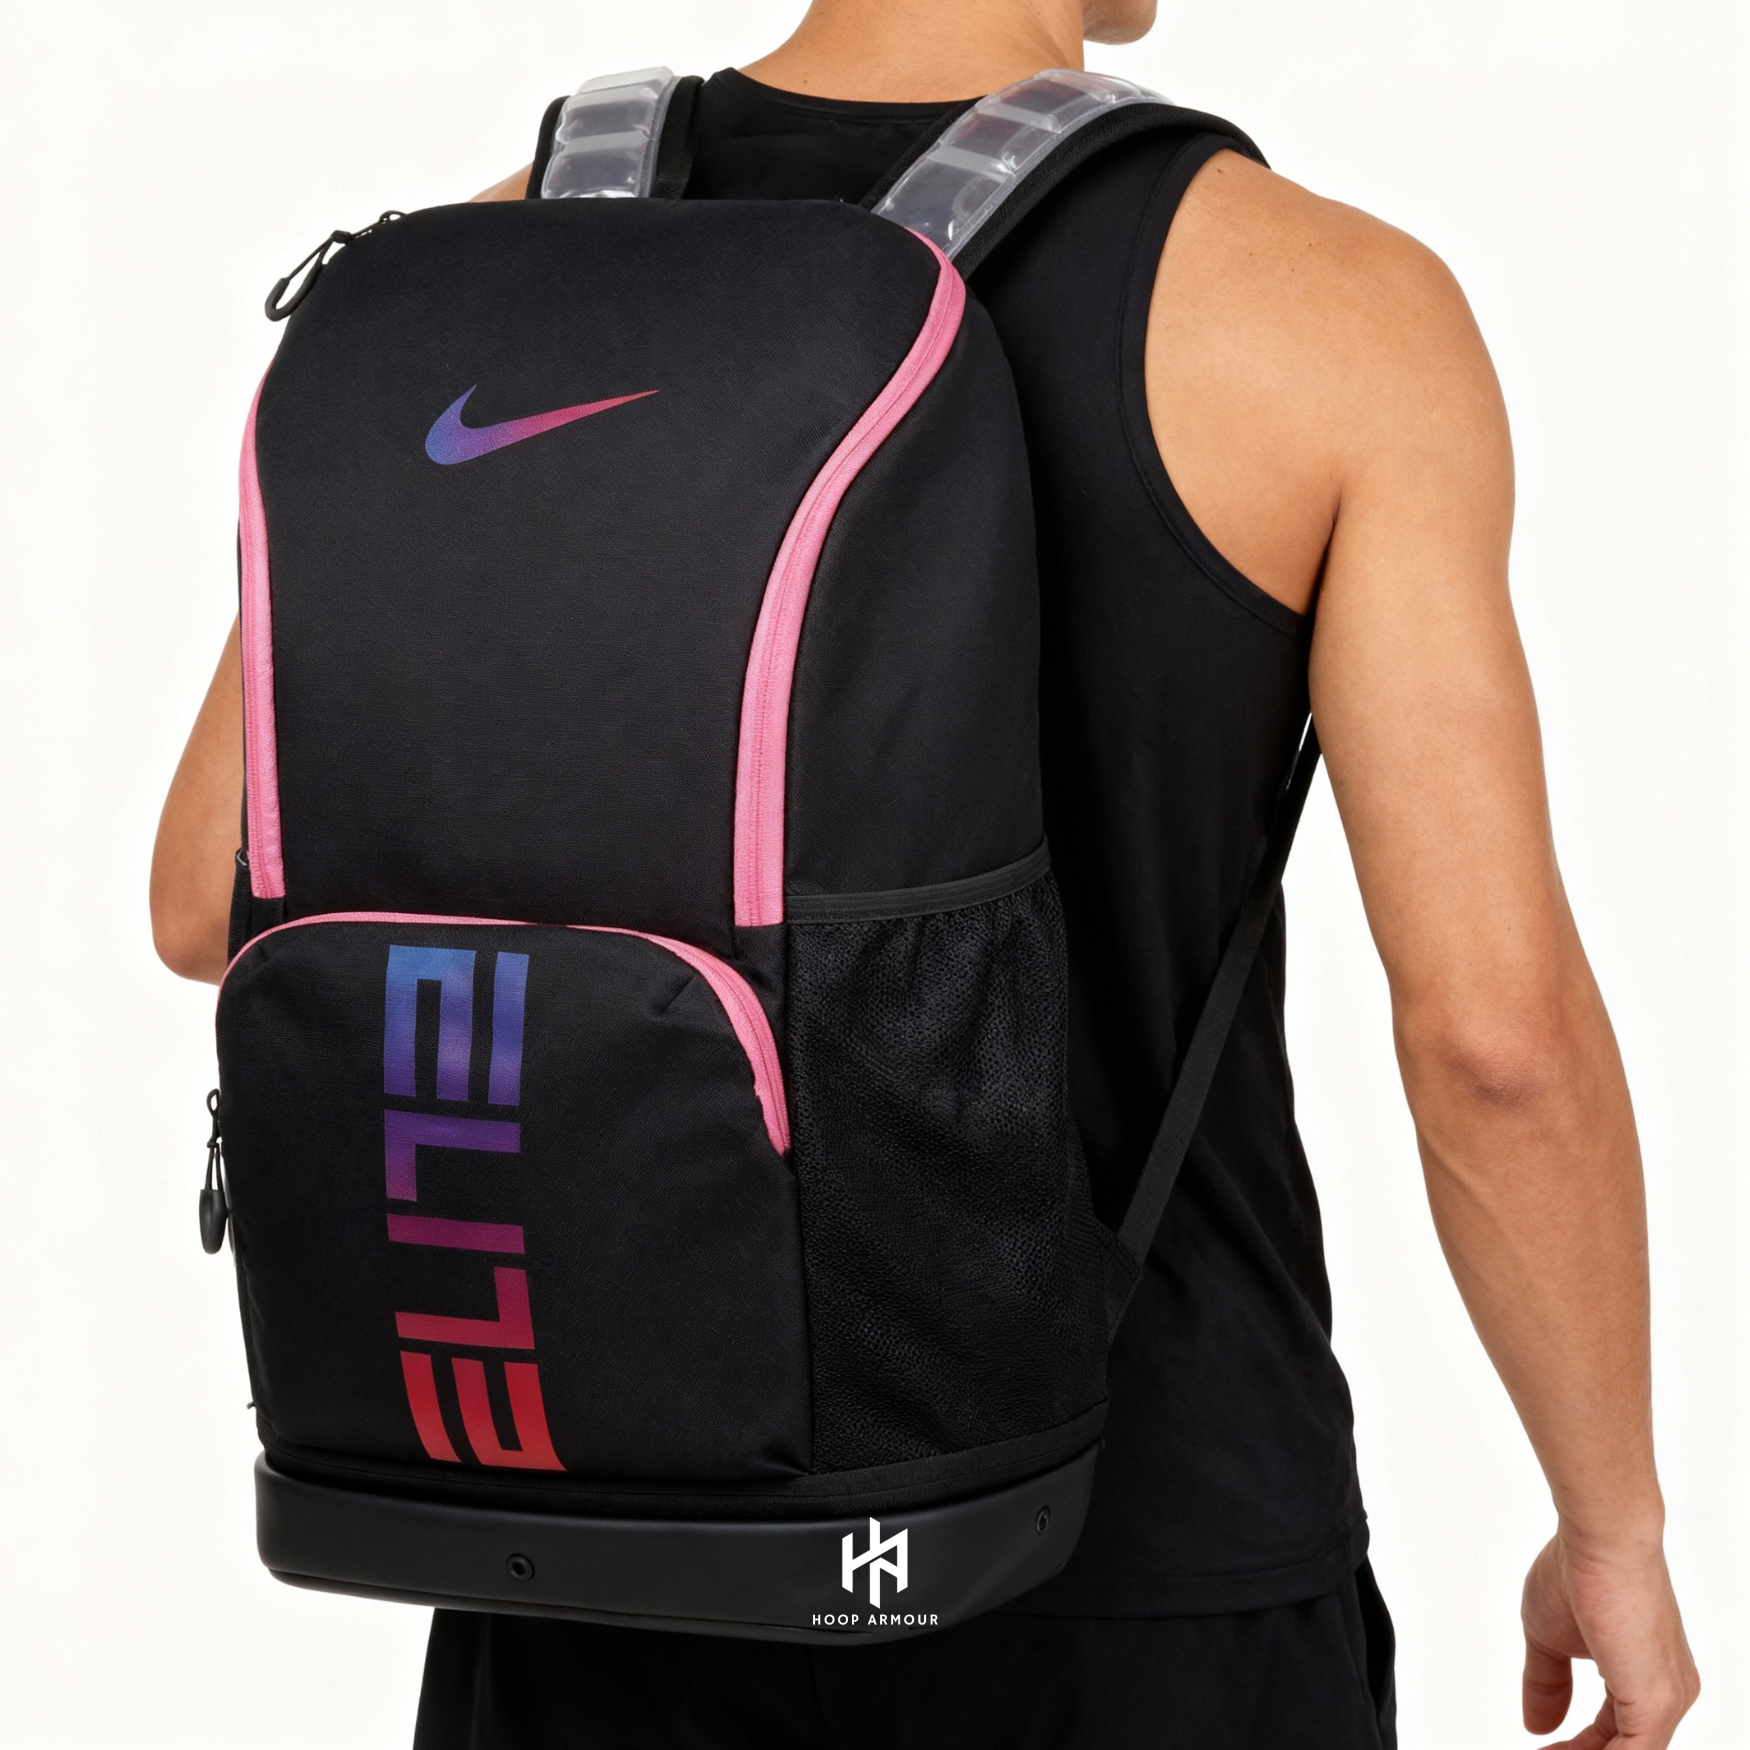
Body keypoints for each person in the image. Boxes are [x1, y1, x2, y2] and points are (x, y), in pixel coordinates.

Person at [151, 1, 1701, 1744]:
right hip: (1141, 1555)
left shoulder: (505, 256)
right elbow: (1494, 1042)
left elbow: (207, 899)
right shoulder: (1326, 309)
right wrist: (1611, 1526)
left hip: (602, 1530)